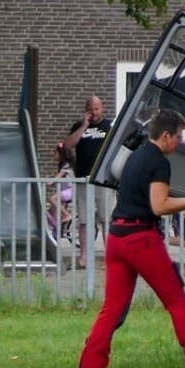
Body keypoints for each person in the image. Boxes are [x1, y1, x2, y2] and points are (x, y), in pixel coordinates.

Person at [77, 108, 185, 368]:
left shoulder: (136, 156)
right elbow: (159, 205)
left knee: (112, 308)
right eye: (179, 137)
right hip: (140, 238)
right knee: (176, 300)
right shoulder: (159, 162)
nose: (181, 142)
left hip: (116, 237)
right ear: (165, 136)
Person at [67, 96, 113, 268]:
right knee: (85, 219)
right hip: (83, 177)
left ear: (102, 108)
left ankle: (110, 256)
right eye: (91, 109)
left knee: (106, 217)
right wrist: (84, 126)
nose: (94, 112)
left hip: (103, 179)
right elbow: (68, 145)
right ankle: (84, 257)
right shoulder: (79, 126)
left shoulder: (110, 126)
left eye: (97, 109)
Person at [47, 142, 75, 240]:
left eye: (55, 153)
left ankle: (67, 215)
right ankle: (56, 233)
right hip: (65, 192)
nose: (54, 155)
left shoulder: (66, 166)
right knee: (51, 212)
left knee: (52, 198)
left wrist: (48, 182)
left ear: (61, 154)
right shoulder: (62, 165)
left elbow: (55, 179)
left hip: (71, 191)